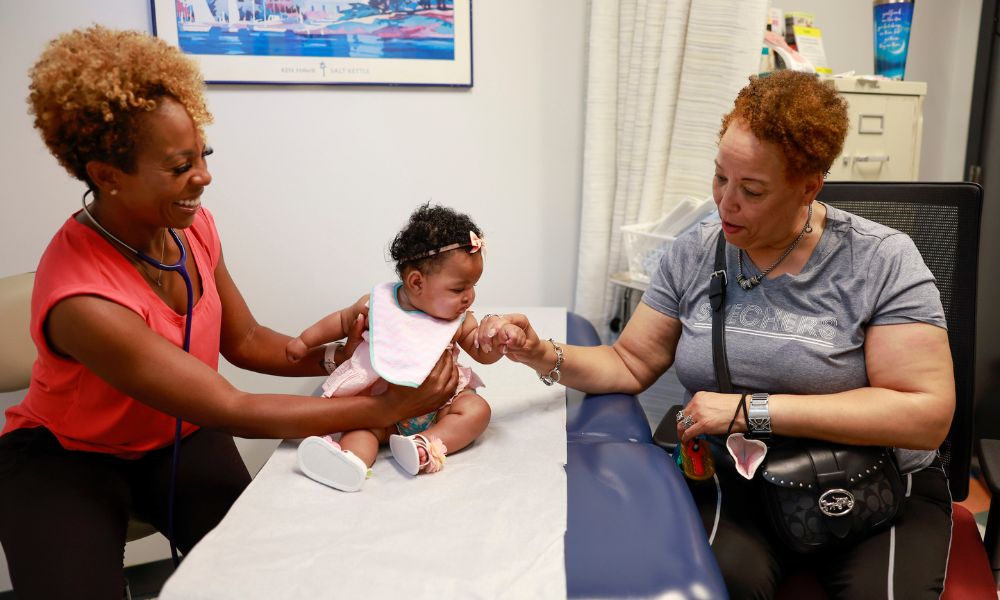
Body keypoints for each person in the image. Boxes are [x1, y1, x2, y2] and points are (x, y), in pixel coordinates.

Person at [0, 26, 458, 600]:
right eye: (178, 166)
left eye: (203, 156)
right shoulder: (84, 300)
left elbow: (244, 340)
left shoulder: (193, 230)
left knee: (272, 569)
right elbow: (232, 407)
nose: (204, 178)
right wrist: (388, 405)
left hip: (180, 440)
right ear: (107, 175)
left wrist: (344, 359)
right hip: (66, 459)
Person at [483, 70, 955, 598]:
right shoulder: (696, 250)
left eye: (751, 190)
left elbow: (924, 415)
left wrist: (752, 409)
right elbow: (629, 363)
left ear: (808, 186)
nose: (725, 204)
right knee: (708, 585)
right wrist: (538, 352)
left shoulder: (880, 259)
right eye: (720, 178)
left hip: (872, 482)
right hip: (740, 473)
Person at [287, 203, 519, 492]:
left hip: (440, 406)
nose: (469, 297)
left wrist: (496, 342)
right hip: (382, 409)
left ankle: (424, 446)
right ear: (416, 282)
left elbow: (480, 350)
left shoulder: (459, 320)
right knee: (362, 430)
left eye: (473, 286)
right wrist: (305, 341)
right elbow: (340, 321)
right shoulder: (378, 306)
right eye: (459, 289)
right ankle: (350, 461)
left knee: (477, 410)